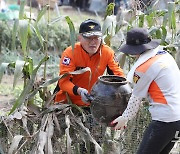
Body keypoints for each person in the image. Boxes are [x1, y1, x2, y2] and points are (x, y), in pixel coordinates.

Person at [111, 27, 180, 153]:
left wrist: (124, 118)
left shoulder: (145, 67)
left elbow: (135, 99)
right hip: (177, 121)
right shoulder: (165, 55)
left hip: (164, 121)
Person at [54, 18, 124, 106]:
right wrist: (80, 91)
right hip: (66, 104)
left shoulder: (107, 52)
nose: (93, 42)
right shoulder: (70, 53)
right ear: (79, 38)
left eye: (96, 38)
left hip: (93, 103)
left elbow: (119, 77)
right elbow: (63, 82)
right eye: (88, 38)